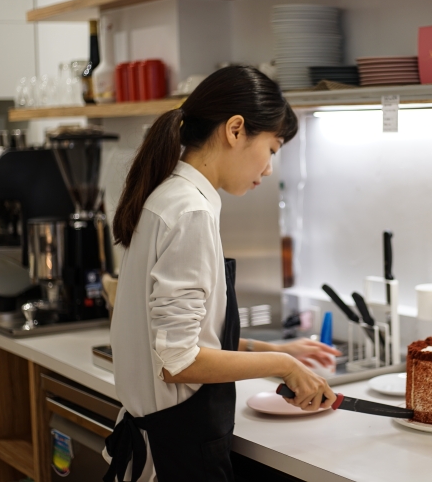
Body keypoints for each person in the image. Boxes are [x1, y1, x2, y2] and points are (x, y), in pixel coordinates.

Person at [103, 66, 339, 482]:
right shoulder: (191, 211)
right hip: (176, 459)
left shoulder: (170, 196)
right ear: (235, 130)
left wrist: (269, 352)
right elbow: (177, 363)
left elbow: (181, 337)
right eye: (272, 148)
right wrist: (283, 364)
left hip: (162, 446)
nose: (268, 169)